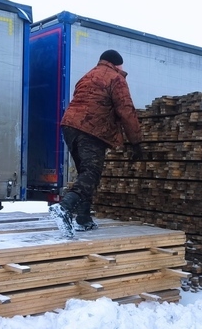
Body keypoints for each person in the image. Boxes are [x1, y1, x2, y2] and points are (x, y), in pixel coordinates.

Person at [48, 49, 143, 238]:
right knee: (92, 173)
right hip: (91, 130)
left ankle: (83, 218)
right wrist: (136, 142)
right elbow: (126, 111)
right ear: (117, 65)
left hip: (70, 127)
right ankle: (64, 207)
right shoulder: (116, 78)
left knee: (86, 173)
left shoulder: (87, 76)